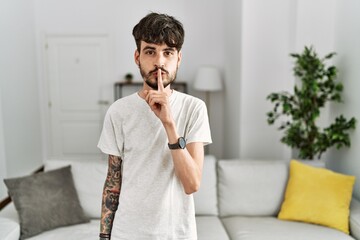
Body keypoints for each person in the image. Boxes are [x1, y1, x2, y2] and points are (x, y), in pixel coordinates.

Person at [97, 12, 212, 240]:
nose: (159, 62)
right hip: (127, 233)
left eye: (167, 53)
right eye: (150, 51)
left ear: (178, 59)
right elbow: (112, 184)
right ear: (137, 57)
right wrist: (103, 236)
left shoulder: (194, 108)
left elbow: (192, 184)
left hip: (176, 234)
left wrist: (169, 123)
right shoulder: (118, 112)